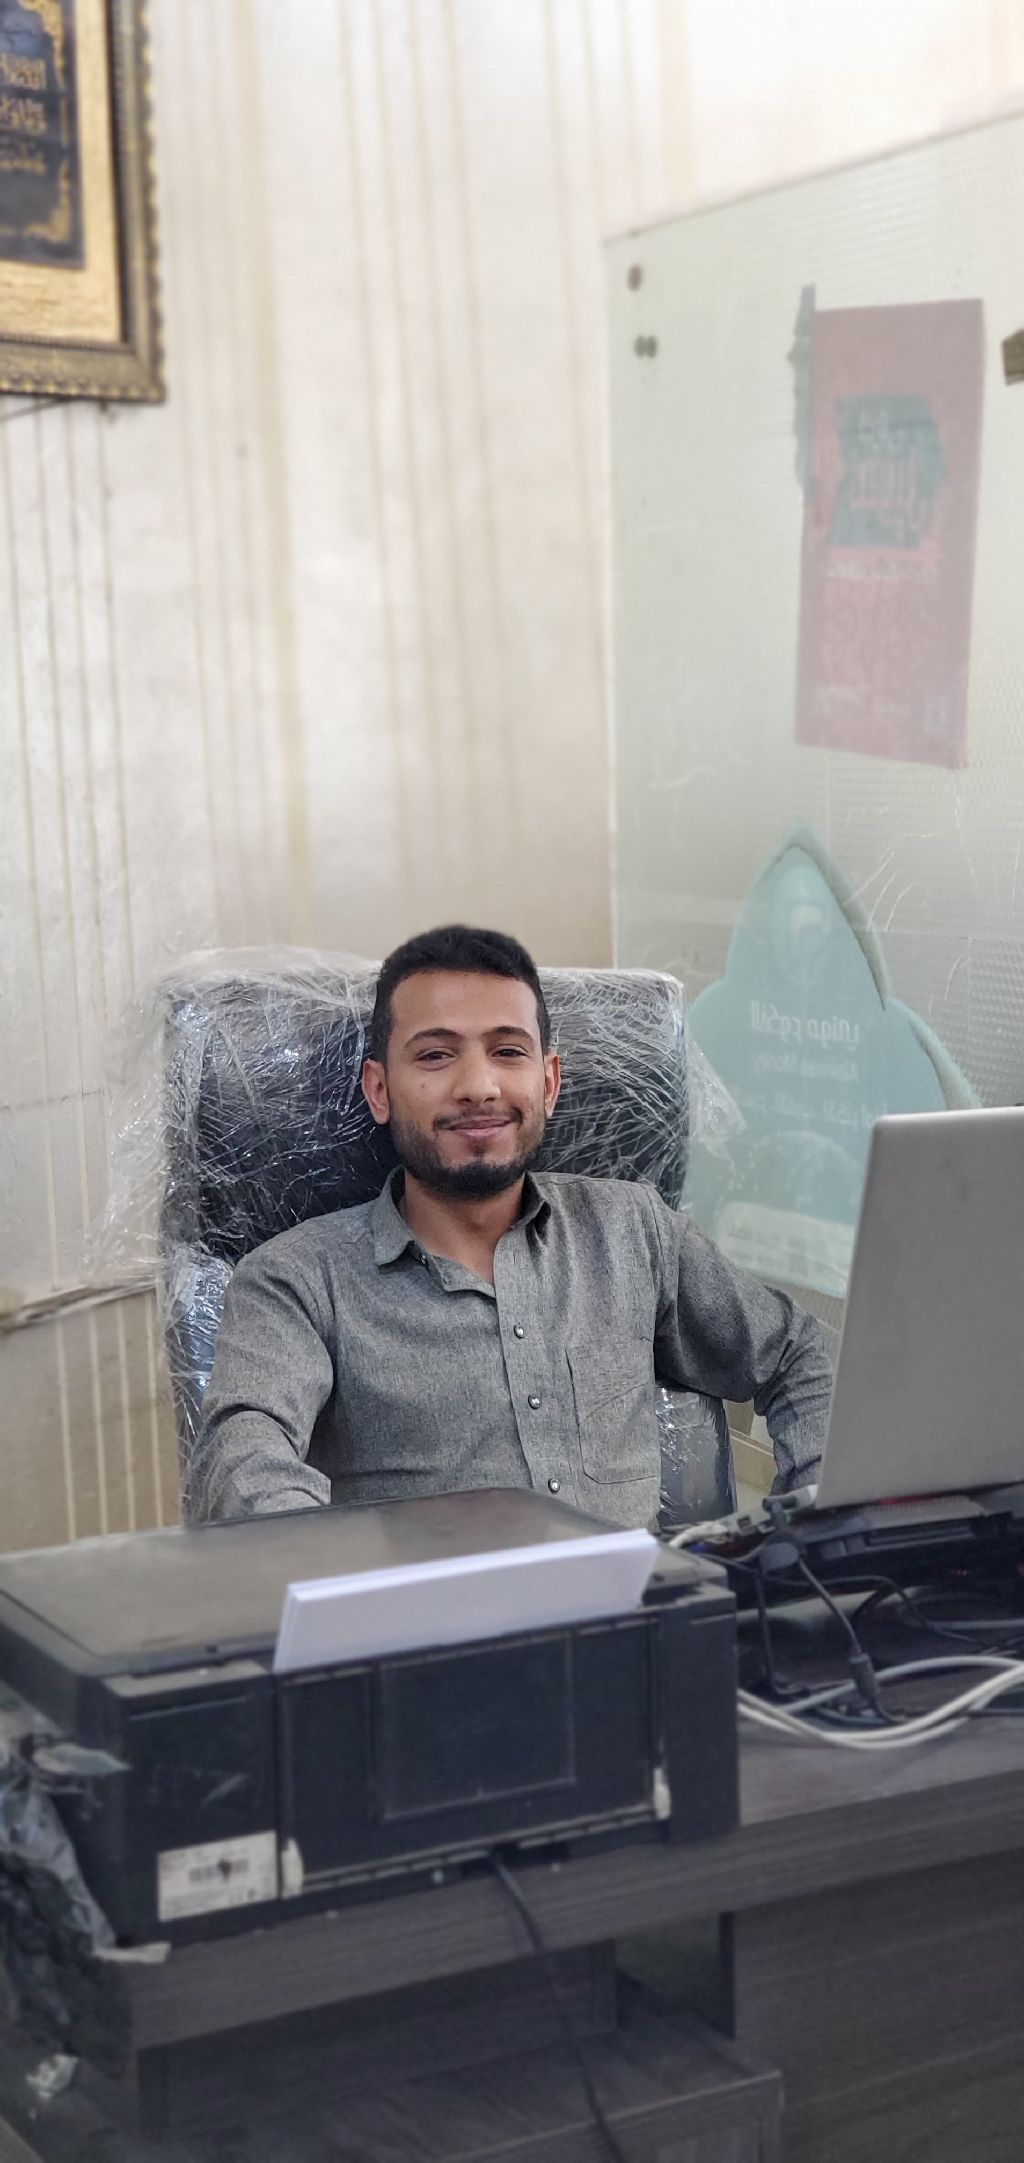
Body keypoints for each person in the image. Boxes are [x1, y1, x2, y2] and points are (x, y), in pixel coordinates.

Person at [193, 925, 835, 1526]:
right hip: (432, 1609)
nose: (479, 1086)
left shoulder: (635, 1230)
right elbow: (244, 1457)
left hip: (638, 1602)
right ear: (380, 1090)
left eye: (508, 1051)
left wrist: (814, 1528)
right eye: (436, 1055)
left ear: (548, 1083)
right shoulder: (296, 1280)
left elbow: (800, 1355)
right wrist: (337, 1574)